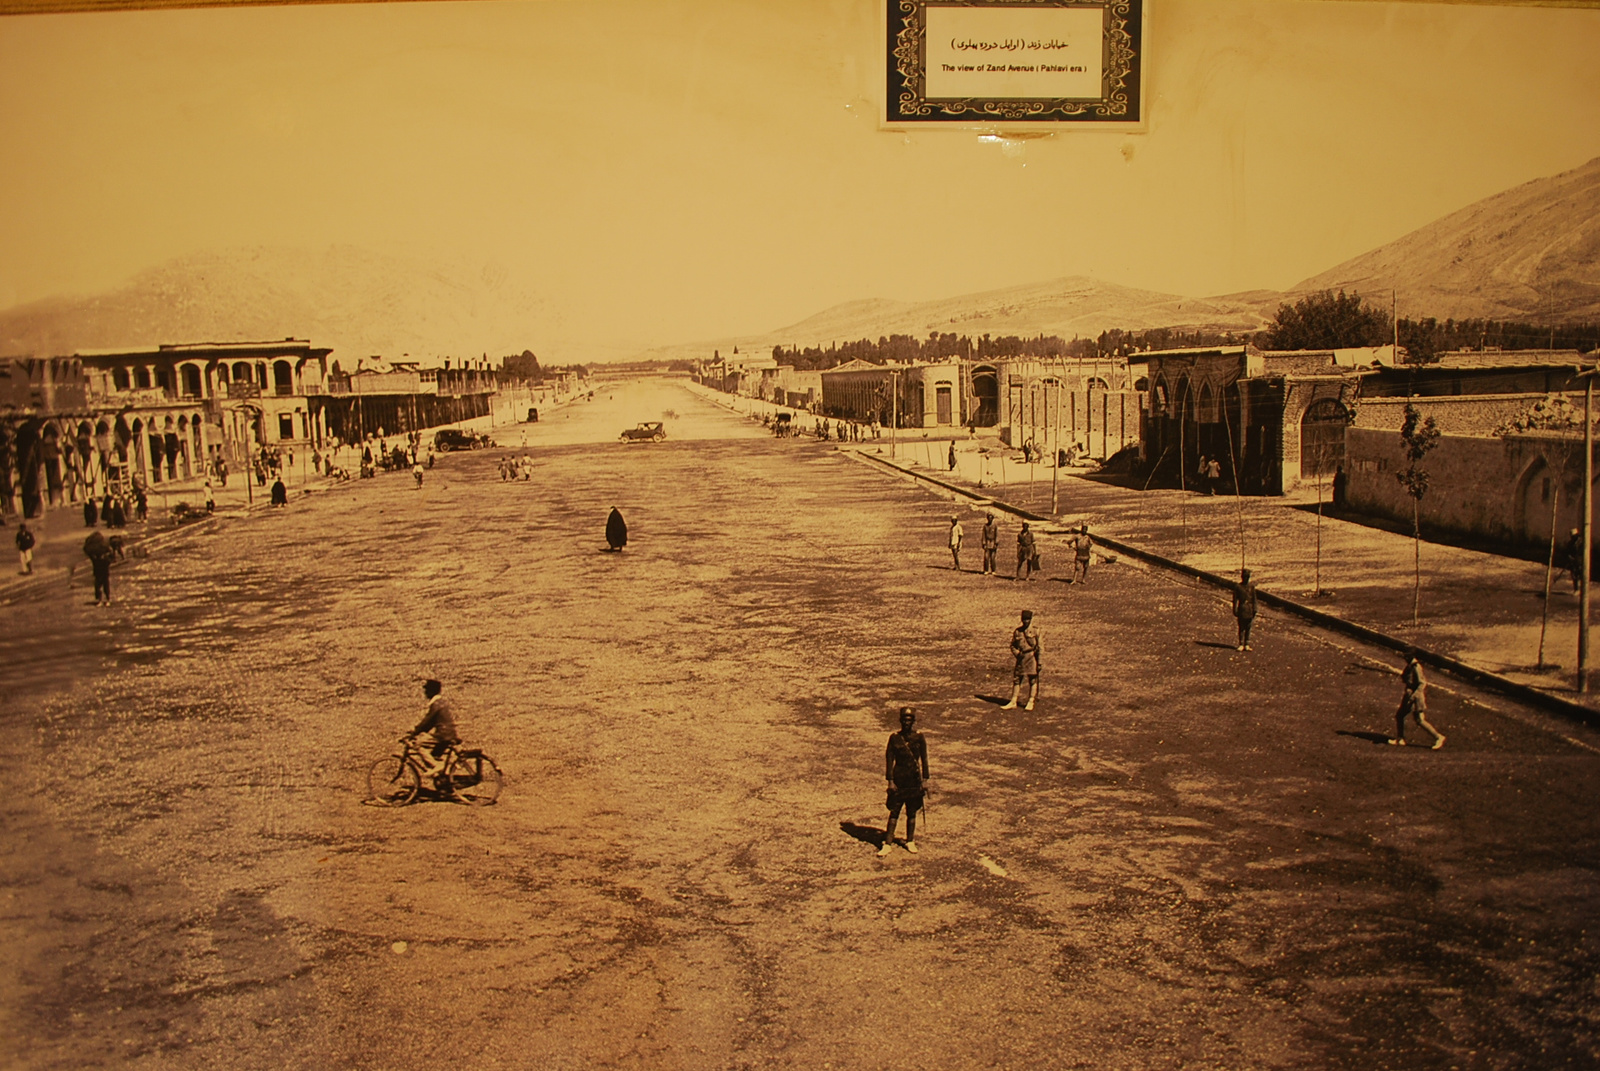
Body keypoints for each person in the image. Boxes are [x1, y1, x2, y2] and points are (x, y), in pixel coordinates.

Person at [878, 707, 930, 857]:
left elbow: (924, 759)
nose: (907, 723)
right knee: (894, 812)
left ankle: (910, 841)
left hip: (914, 779)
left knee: (911, 812)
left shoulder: (919, 737)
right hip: (899, 779)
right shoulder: (894, 738)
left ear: (913, 721)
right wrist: (890, 781)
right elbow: (889, 759)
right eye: (904, 720)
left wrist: (925, 780)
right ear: (901, 721)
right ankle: (887, 844)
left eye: (909, 720)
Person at [1390, 649, 1445, 749]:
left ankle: (1438, 737)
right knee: (1400, 715)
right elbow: (1405, 677)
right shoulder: (1410, 666)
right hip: (1410, 695)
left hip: (1415, 697)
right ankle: (1400, 738)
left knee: (1419, 720)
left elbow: (1422, 683)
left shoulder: (1416, 667)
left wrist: (1414, 696)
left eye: (1406, 656)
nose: (1404, 658)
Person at [408, 679, 462, 777]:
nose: (425, 693)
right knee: (434, 755)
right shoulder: (442, 702)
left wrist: (414, 733)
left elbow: (427, 722)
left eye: (426, 690)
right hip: (449, 733)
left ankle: (436, 766)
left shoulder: (436, 704)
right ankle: (443, 778)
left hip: (442, 735)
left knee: (418, 744)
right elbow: (430, 723)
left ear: (431, 691)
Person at [1001, 610, 1041, 711]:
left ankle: (1031, 700)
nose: (1025, 621)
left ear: (1031, 620)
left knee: (1032, 679)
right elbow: (1013, 645)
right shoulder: (1018, 632)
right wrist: (1017, 654)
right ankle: (1013, 700)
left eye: (1027, 619)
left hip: (1031, 657)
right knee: (1017, 679)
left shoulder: (1036, 631)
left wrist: (1039, 662)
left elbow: (1040, 648)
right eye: (1024, 619)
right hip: (1021, 657)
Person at [83, 528, 114, 604]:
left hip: (98, 569)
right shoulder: (105, 549)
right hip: (103, 569)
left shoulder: (93, 553)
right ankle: (106, 597)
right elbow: (111, 557)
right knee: (104, 583)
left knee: (98, 584)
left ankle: (100, 598)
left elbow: (88, 552)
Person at [1232, 567, 1258, 651]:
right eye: (1245, 576)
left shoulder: (1251, 587)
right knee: (1241, 628)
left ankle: (1246, 643)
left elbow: (1254, 599)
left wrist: (1255, 608)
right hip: (1242, 609)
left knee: (1248, 627)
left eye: (1248, 577)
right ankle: (1240, 643)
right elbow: (1235, 599)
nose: (1246, 578)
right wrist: (1234, 609)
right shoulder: (1238, 587)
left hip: (1249, 609)